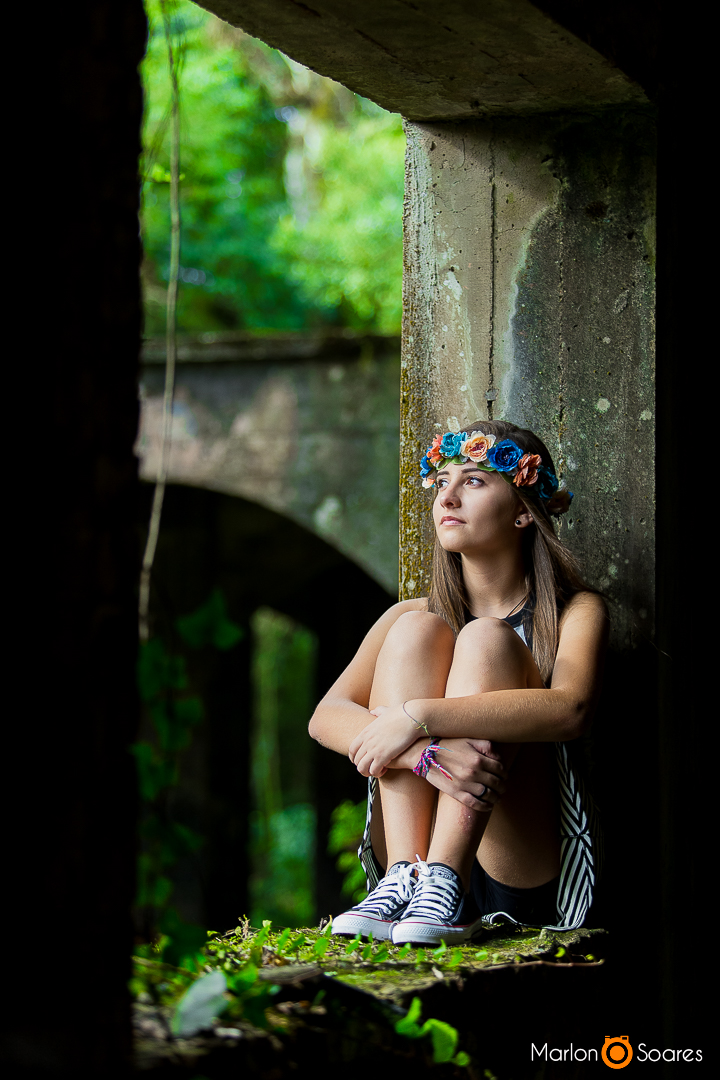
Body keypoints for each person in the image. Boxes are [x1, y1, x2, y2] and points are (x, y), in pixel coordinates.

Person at [308, 419, 607, 946]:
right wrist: (423, 755)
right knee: (417, 629)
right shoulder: (409, 615)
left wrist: (416, 717)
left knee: (486, 641)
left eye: (472, 480)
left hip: (517, 862)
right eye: (441, 480)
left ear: (522, 511)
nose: (447, 494)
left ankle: (448, 873)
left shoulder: (574, 611)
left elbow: (570, 710)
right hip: (411, 870)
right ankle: (409, 876)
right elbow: (325, 717)